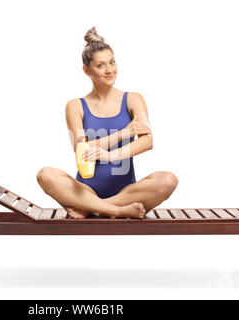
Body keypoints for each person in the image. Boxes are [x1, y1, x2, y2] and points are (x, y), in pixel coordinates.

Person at [36, 27, 178, 219]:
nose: (110, 70)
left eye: (112, 62)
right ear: (87, 70)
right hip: (85, 190)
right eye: (101, 65)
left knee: (167, 180)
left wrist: (110, 156)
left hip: (126, 192)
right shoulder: (75, 106)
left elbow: (147, 141)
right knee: (45, 175)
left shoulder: (133, 99)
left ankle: (94, 208)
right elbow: (82, 150)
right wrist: (124, 133)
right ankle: (115, 211)